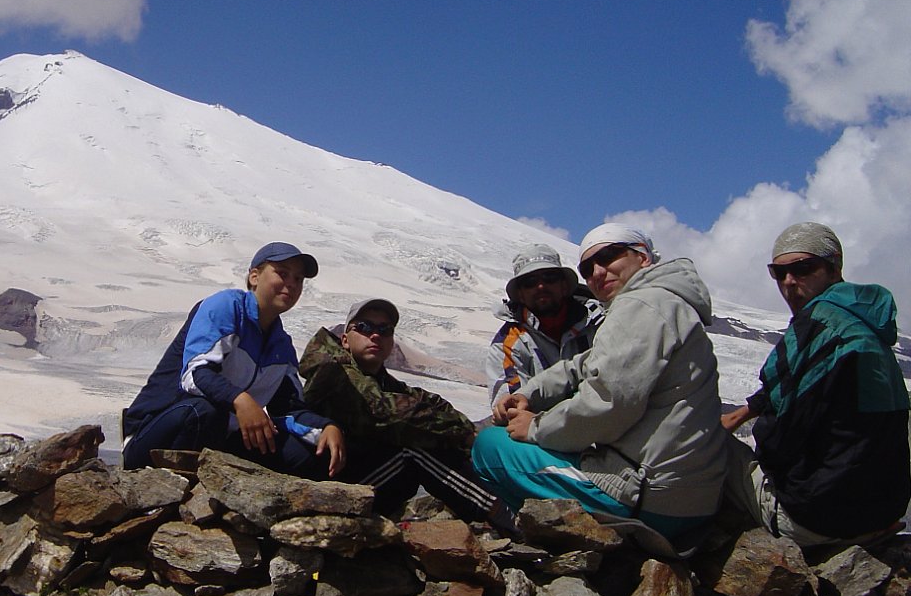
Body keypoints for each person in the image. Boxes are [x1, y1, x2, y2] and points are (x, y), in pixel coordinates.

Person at [472, 224, 726, 539]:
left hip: (652, 496)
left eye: (608, 256)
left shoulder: (640, 306)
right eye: (587, 267)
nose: (597, 271)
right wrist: (530, 394)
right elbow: (588, 363)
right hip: (679, 490)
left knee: (488, 447)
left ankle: (549, 537)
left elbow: (608, 403)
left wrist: (536, 426)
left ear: (643, 257)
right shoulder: (654, 302)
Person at [721, 222, 910, 547]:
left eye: (803, 268)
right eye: (779, 273)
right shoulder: (864, 327)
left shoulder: (817, 329)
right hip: (883, 511)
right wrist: (745, 411)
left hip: (817, 518)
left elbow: (778, 441)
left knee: (709, 449)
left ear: (834, 266)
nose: (789, 282)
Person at [121, 242, 344, 479]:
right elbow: (194, 374)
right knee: (205, 412)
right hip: (158, 433)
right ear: (254, 277)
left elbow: (287, 408)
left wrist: (326, 428)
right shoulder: (224, 307)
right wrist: (240, 400)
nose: (291, 283)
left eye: (298, 279)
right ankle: (166, 496)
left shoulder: (281, 345)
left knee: (308, 453)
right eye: (282, 273)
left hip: (220, 438)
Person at [300, 298, 513, 528]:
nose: (375, 335)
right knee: (412, 454)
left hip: (356, 480)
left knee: (431, 438)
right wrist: (462, 433)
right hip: (326, 489)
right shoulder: (334, 373)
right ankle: (502, 516)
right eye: (364, 327)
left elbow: (427, 402)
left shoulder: (380, 381)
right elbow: (391, 414)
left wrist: (464, 430)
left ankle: (494, 510)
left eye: (385, 330)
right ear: (345, 339)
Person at [485, 243, 603, 401]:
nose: (541, 286)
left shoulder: (600, 322)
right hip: (540, 423)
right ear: (519, 293)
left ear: (564, 285)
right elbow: (511, 405)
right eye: (530, 282)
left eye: (550, 278)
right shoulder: (507, 343)